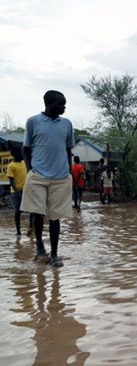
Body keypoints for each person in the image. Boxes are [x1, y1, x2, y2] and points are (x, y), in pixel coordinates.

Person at [20, 90, 75, 267]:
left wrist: (68, 170)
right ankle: (40, 247)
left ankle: (54, 254)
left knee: (55, 217)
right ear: (49, 104)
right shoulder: (33, 122)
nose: (64, 107)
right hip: (38, 175)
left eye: (64, 104)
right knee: (37, 213)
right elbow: (26, 149)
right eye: (60, 104)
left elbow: (68, 149)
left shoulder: (67, 124)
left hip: (60, 177)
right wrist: (30, 171)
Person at [7, 147, 27, 235]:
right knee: (17, 212)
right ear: (16, 155)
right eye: (21, 153)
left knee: (32, 210)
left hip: (26, 191)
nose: (22, 154)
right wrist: (16, 191)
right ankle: (18, 231)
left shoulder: (23, 163)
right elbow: (11, 180)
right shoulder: (11, 165)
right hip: (16, 192)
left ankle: (31, 228)